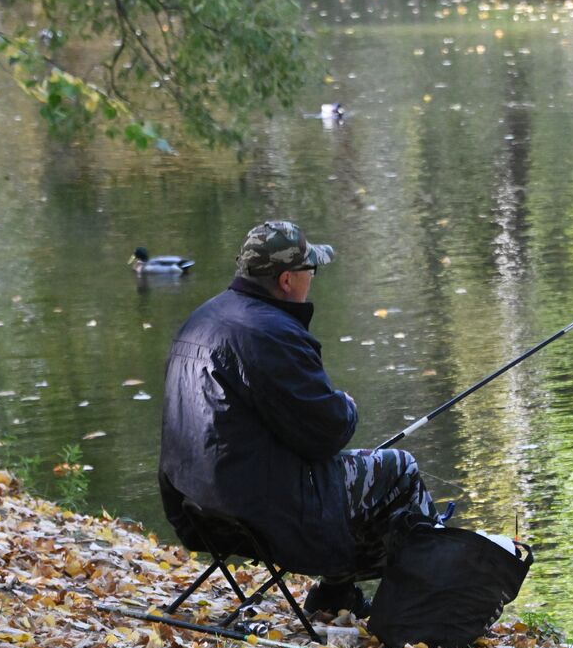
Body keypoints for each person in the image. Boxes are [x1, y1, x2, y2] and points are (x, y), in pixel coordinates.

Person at [159, 220, 437, 617]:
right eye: (310, 270)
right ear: (287, 279)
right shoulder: (271, 334)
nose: (312, 278)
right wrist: (347, 404)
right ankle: (424, 606)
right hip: (259, 510)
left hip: (195, 503)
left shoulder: (202, 319)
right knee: (398, 470)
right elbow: (326, 433)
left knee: (350, 473)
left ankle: (337, 596)